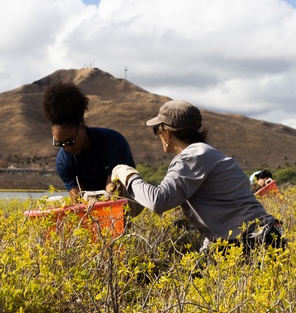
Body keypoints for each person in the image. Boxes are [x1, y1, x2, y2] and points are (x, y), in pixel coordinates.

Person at [110, 100, 283, 253]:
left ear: (167, 133)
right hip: (262, 237)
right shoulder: (208, 152)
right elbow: (220, 215)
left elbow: (158, 201)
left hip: (252, 242)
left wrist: (128, 175)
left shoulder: (192, 157)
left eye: (157, 130)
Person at [42, 81, 136, 200]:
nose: (67, 148)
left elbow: (113, 193)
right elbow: (78, 199)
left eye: (70, 141)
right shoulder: (63, 161)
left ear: (81, 127)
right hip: (95, 202)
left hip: (128, 198)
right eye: (59, 144)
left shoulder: (114, 142)